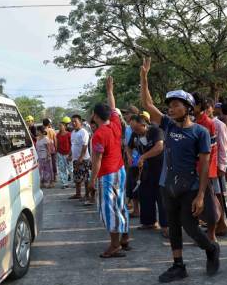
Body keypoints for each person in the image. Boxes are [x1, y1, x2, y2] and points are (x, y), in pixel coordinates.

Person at [139, 57, 220, 282]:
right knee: (173, 225)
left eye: (176, 105)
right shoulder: (167, 124)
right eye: (170, 105)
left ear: (188, 108)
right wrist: (144, 78)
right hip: (167, 186)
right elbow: (148, 105)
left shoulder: (200, 132)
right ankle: (178, 265)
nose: (171, 109)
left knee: (190, 227)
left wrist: (202, 194)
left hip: (190, 187)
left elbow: (204, 165)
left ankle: (211, 249)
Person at [89, 76, 129, 258]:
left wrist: (92, 181)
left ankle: (115, 245)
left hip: (107, 174)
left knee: (109, 208)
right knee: (120, 204)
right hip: (120, 171)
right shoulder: (115, 124)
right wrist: (110, 91)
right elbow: (113, 107)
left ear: (95, 116)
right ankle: (124, 238)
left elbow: (97, 160)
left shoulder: (98, 134)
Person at [127, 113, 167, 237]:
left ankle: (166, 225)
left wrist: (143, 156)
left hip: (160, 168)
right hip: (145, 170)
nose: (135, 132)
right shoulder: (135, 134)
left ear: (144, 125)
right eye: (133, 129)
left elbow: (159, 147)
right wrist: (129, 157)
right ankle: (149, 222)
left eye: (137, 129)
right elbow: (128, 147)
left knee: (162, 198)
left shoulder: (156, 131)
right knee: (145, 194)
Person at [192, 93, 222, 242]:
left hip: (205, 169)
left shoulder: (207, 123)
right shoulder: (193, 121)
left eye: (192, 104)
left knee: (209, 202)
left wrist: (210, 170)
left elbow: (212, 149)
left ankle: (212, 234)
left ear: (199, 105)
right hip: (193, 168)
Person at [207, 100, 227, 237]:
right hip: (206, 166)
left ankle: (221, 223)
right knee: (211, 195)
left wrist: (222, 166)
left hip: (216, 166)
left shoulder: (218, 124)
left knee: (217, 194)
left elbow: (223, 146)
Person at [69, 114, 91, 200]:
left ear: (80, 122)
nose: (73, 123)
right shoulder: (73, 133)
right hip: (75, 159)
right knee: (77, 177)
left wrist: (81, 158)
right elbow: (73, 145)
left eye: (75, 121)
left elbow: (85, 146)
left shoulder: (84, 132)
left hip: (84, 159)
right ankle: (78, 194)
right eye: (72, 122)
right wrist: (70, 155)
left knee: (86, 178)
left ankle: (87, 195)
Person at [57, 117, 73, 189]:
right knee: (62, 169)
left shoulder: (69, 134)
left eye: (61, 126)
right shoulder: (58, 135)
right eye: (59, 126)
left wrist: (71, 154)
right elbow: (57, 144)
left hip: (68, 153)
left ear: (65, 127)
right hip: (60, 154)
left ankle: (74, 182)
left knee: (71, 169)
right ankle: (65, 183)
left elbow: (72, 144)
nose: (60, 127)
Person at [43, 118, 58, 188]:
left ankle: (48, 178)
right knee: (53, 162)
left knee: (47, 164)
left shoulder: (43, 131)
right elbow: (55, 139)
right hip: (52, 148)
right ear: (49, 124)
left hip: (45, 149)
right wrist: (56, 148)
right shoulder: (52, 130)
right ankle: (55, 177)